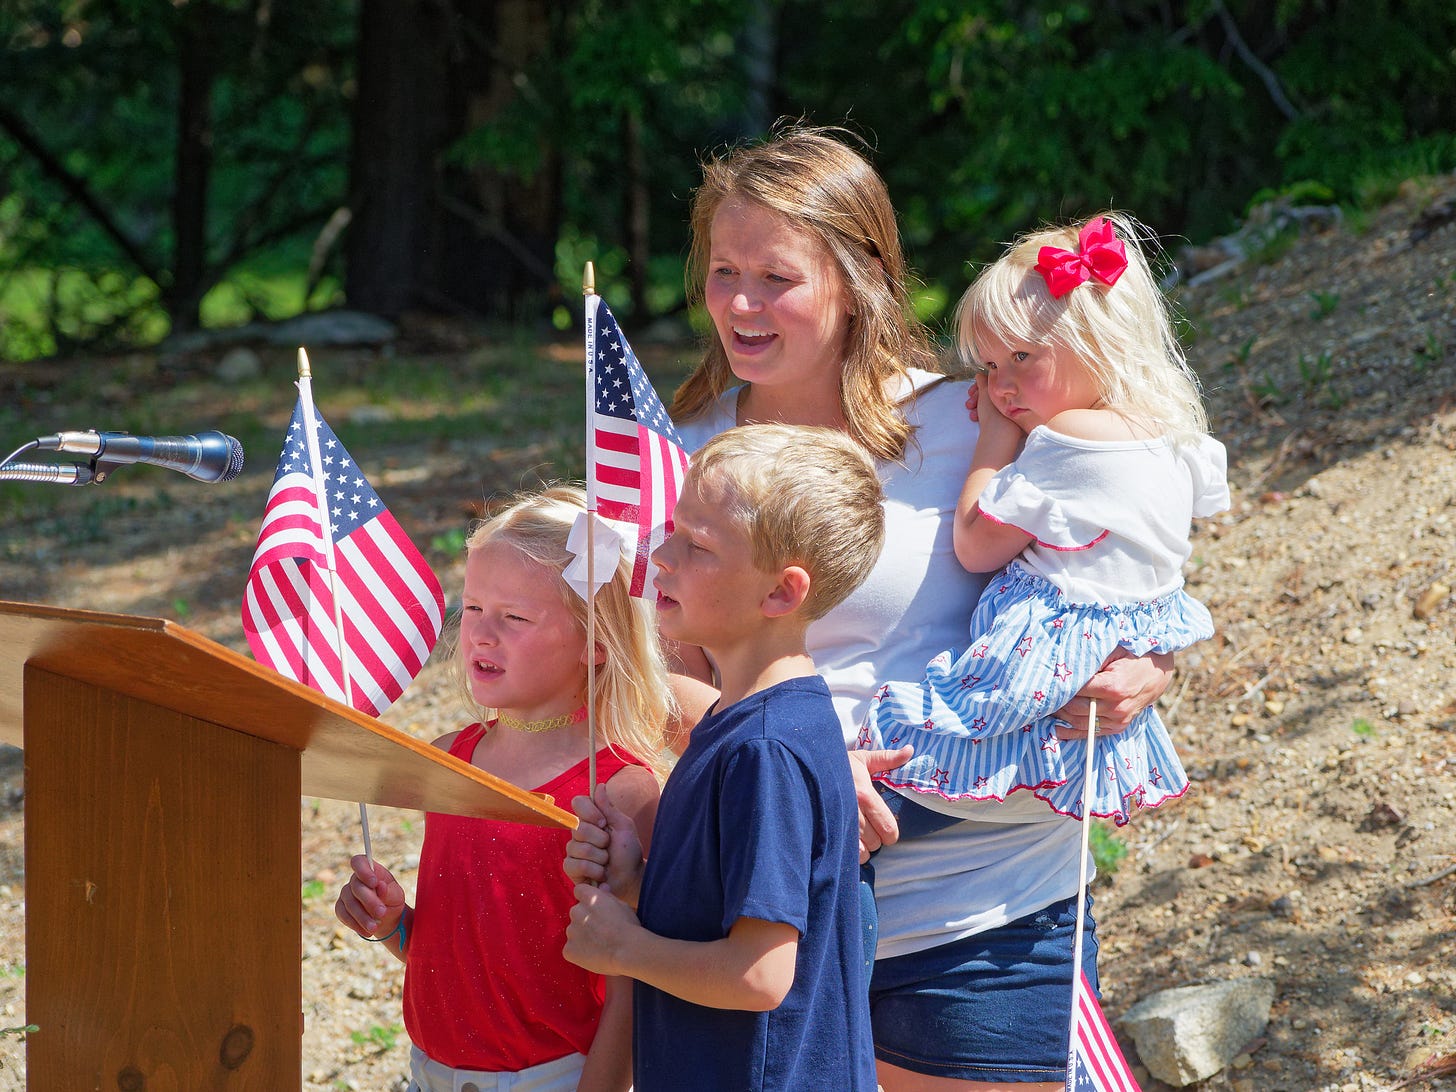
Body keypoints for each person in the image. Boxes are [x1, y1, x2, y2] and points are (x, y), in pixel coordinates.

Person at [665, 123, 1176, 1091]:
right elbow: (654, 684)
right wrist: (810, 770)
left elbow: (1123, 565)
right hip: (768, 929)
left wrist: (1146, 667)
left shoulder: (977, 416)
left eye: (775, 277)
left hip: (988, 915)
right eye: (722, 271)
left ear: (858, 277)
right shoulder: (678, 451)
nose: (739, 302)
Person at [860, 211, 1230, 834]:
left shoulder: (1066, 439)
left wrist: (996, 439)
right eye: (986, 366)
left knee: (891, 766)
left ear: (1097, 345)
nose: (1000, 387)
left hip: (1032, 670)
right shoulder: (1174, 439)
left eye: (1022, 359)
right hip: (1105, 672)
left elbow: (976, 545)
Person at [561, 424, 883, 1092]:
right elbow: (721, 911)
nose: (663, 555)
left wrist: (625, 946)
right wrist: (634, 881)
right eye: (675, 529)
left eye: (698, 546)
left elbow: (759, 975)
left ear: (781, 594)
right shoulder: (748, 718)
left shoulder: (764, 750)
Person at [333, 486, 667, 1092]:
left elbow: (639, 984)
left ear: (596, 642)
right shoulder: (449, 760)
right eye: (472, 609)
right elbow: (467, 958)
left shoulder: (621, 792)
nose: (481, 634)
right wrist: (394, 924)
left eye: (514, 617)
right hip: (429, 1074)